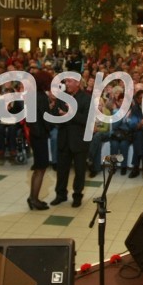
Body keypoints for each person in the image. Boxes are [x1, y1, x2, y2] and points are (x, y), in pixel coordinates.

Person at [51, 75, 91, 207]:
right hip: (63, 139)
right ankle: (60, 194)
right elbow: (55, 115)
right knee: (62, 170)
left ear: (77, 83)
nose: (66, 84)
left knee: (80, 171)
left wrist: (69, 114)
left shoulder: (86, 98)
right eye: (66, 81)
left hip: (79, 141)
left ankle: (77, 196)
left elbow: (86, 119)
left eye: (69, 81)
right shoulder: (62, 97)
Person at [27, 71, 53, 211]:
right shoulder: (41, 97)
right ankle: (34, 199)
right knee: (40, 169)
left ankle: (33, 197)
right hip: (40, 135)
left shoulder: (31, 96)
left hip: (34, 135)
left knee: (38, 168)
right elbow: (45, 118)